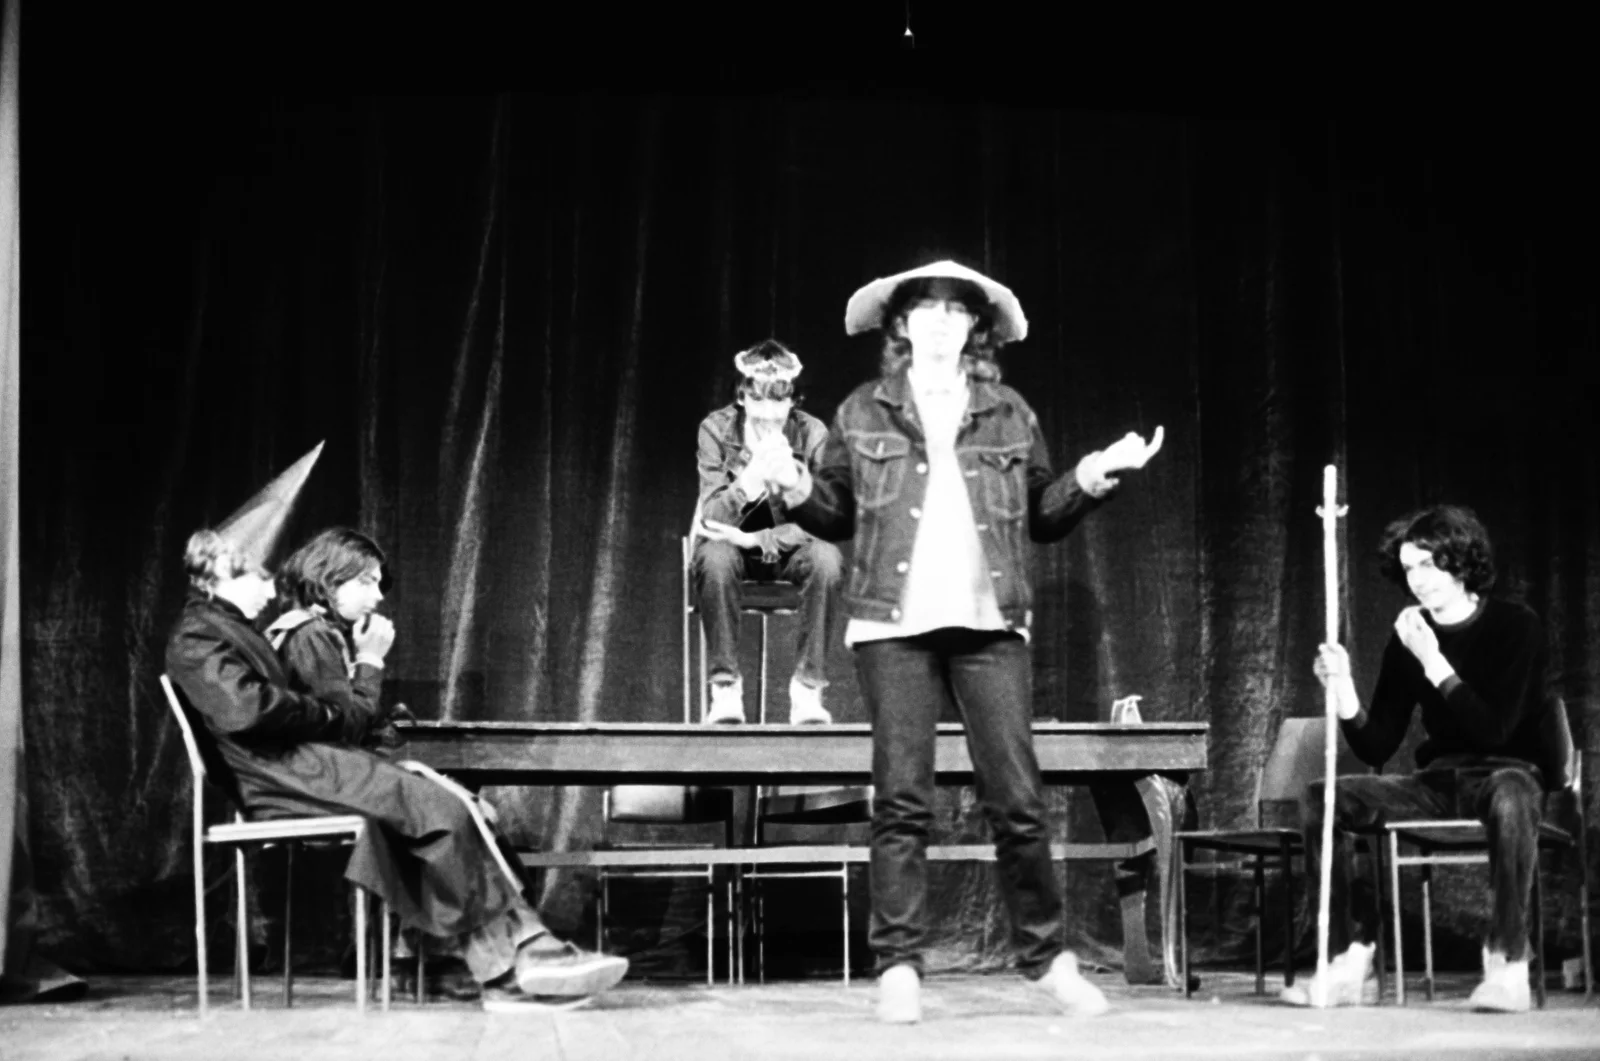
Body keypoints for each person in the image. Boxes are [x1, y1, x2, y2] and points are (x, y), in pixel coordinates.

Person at [751, 260, 1163, 1023]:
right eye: (925, 307)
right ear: (901, 324)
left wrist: (1094, 473)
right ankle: (899, 966)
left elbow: (1041, 513)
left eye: (955, 308)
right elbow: (835, 513)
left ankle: (1046, 959)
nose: (940, 318)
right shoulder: (862, 410)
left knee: (1018, 798)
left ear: (975, 326)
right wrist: (794, 485)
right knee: (901, 799)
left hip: (989, 624)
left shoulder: (1008, 412)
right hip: (892, 626)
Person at [165, 528, 629, 1012]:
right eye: (260, 577)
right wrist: (333, 705)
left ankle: (507, 961)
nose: (271, 588)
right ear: (220, 574)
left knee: (440, 809)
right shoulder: (201, 631)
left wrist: (334, 713)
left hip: (298, 763)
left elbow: (289, 710)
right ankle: (514, 960)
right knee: (436, 808)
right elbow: (246, 709)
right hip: (279, 773)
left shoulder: (231, 627)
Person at [1289, 504, 1559, 1013]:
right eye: (1409, 567)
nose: (1417, 579)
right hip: (1437, 783)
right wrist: (1343, 690)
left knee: (1509, 795)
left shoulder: (1515, 625)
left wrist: (1433, 659)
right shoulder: (1406, 639)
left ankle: (1507, 963)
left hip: (1507, 776)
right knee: (1324, 799)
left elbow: (1495, 730)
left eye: (1430, 564)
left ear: (1462, 562)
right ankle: (1348, 959)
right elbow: (1377, 746)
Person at [692, 338, 843, 724]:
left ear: (793, 401)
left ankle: (807, 690)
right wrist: (749, 480)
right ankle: (725, 688)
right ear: (741, 397)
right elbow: (711, 516)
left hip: (789, 546)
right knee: (714, 558)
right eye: (757, 400)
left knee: (827, 560)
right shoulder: (716, 429)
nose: (768, 413)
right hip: (728, 546)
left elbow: (823, 518)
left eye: (779, 402)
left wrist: (758, 539)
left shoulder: (812, 433)